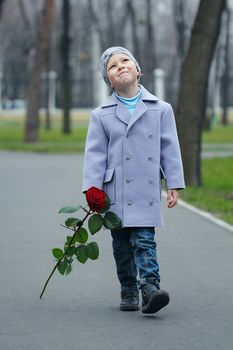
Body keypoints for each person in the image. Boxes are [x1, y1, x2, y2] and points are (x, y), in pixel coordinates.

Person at [82, 46, 185, 314]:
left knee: (144, 239)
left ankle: (150, 288)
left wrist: (172, 183)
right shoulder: (101, 114)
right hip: (114, 190)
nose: (120, 66)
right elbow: (95, 155)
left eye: (125, 60)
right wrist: (93, 190)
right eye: (112, 67)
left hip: (146, 188)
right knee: (122, 245)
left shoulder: (161, 109)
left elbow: (169, 149)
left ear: (138, 70)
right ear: (109, 81)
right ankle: (128, 289)